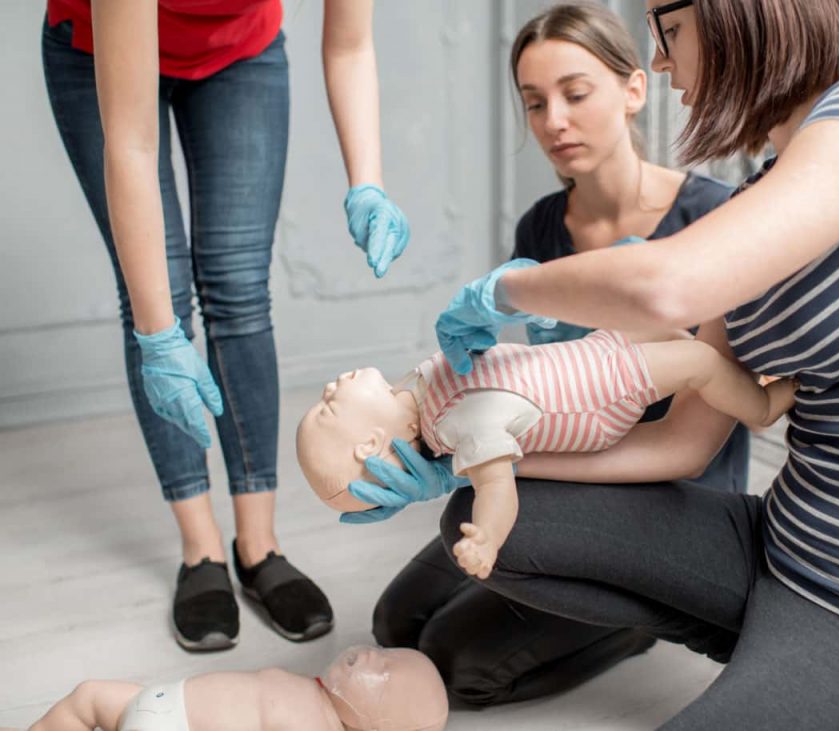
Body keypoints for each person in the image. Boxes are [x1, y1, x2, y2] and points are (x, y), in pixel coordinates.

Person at [375, 1, 839, 729]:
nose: (660, 59)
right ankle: (803, 667)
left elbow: (667, 286)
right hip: (781, 544)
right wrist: (473, 462)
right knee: (484, 522)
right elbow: (682, 442)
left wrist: (505, 290)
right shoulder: (756, 200)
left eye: (668, 31)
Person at [351, 3, 754, 706]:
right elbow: (528, 394)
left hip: (667, 490)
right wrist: (448, 448)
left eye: (576, 93)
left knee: (461, 666)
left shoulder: (716, 221)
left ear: (634, 89)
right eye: (535, 103)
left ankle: (638, 618)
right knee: (397, 622)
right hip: (567, 471)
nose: (554, 122)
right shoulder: (541, 226)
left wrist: (486, 470)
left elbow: (691, 442)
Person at [42, 0, 408, 651]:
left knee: (240, 292)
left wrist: (368, 183)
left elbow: (350, 46)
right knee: (156, 298)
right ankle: (201, 549)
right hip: (96, 49)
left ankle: (258, 546)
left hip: (240, 54)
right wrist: (159, 336)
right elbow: (131, 144)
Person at [295, 328, 796, 577]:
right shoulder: (461, 425)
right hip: (599, 394)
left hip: (590, 352)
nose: (329, 389)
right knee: (698, 361)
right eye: (327, 408)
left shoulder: (419, 389)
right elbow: (498, 489)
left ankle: (747, 377)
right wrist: (487, 538)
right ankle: (763, 406)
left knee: (668, 328)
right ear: (369, 444)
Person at [4, 645, 448, 731]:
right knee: (88, 696)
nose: (372, 654)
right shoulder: (313, 689)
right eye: (385, 651)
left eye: (384, 673)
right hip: (157, 703)